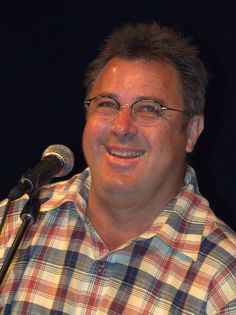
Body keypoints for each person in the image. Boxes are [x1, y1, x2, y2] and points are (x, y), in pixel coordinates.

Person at [0, 22, 236, 314]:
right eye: (108, 104)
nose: (122, 127)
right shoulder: (12, 226)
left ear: (191, 132)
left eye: (149, 108)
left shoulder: (225, 282)